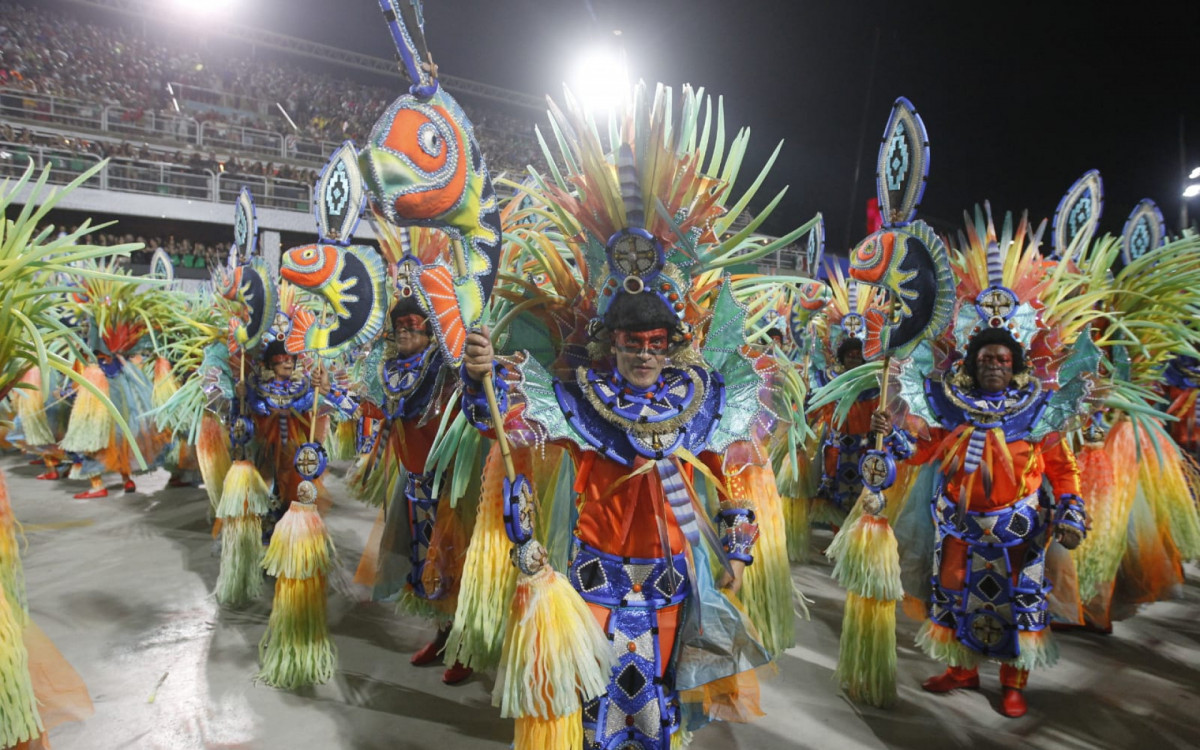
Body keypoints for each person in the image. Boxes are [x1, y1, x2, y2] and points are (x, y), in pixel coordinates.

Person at [462, 288, 769, 749]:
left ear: (671, 346)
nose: (644, 354)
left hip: (669, 586)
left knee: (658, 703)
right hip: (594, 583)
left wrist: (738, 553)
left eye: (656, 343)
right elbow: (499, 421)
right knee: (592, 701)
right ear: (613, 345)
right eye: (632, 342)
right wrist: (476, 377)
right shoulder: (581, 401)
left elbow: (733, 482)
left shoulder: (701, 404)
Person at [871, 327, 1087, 718]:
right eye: (986, 359)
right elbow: (923, 451)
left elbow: (1063, 467)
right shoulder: (952, 406)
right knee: (954, 597)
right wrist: (891, 436)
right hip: (960, 527)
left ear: (1014, 366)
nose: (994, 366)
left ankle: (1012, 684)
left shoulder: (1039, 409)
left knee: (1020, 605)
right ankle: (961, 672)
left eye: (1002, 360)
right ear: (973, 364)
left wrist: (1072, 510)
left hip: (1019, 530)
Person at [351, 297, 471, 685]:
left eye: (413, 323)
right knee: (427, 564)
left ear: (430, 328)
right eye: (399, 324)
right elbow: (370, 409)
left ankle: (466, 648)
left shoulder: (449, 367)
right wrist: (335, 393)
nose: (404, 330)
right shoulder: (390, 371)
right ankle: (442, 635)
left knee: (458, 564)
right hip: (415, 482)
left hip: (453, 481)